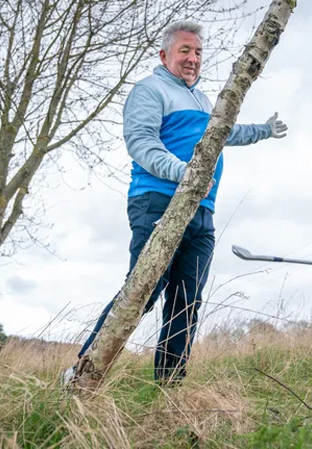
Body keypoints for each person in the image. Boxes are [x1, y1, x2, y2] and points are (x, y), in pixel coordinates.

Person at [63, 20, 288, 385]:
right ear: (164, 54)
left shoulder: (202, 101)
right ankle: (82, 374)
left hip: (202, 212)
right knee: (142, 292)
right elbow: (141, 142)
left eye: (198, 52)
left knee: (187, 302)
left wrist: (263, 130)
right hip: (157, 202)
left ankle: (169, 387)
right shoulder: (150, 90)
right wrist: (184, 173)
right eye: (185, 50)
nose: (193, 59)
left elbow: (225, 133)